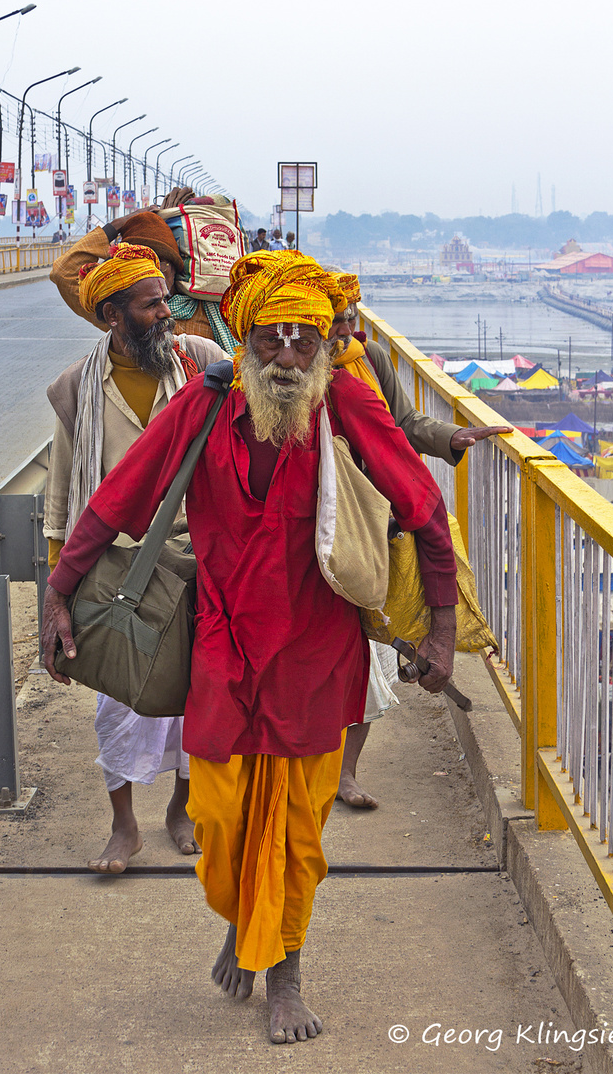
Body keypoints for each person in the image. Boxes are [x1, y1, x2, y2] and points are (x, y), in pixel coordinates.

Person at [41, 250, 458, 1044]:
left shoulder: (348, 405)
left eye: (307, 340)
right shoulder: (202, 407)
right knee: (221, 820)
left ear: (326, 346)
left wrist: (440, 628)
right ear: (245, 339)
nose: (291, 357)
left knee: (298, 830)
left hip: (314, 655)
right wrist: (58, 592)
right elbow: (118, 497)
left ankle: (286, 977)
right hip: (223, 651)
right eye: (274, 339)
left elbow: (425, 510)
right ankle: (244, 922)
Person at [44, 243, 225, 873]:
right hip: (113, 559)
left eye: (166, 300)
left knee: (194, 692)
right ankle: (125, 828)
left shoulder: (200, 362)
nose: (168, 313)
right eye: (151, 306)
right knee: (116, 696)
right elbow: (63, 492)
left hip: (194, 554)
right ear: (112, 317)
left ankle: (181, 809)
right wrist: (57, 592)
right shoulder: (76, 389)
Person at [330, 272, 512, 809]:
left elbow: (403, 422)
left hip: (375, 522)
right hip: (321, 525)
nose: (345, 330)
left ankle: (345, 773)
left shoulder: (368, 359)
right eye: (335, 320)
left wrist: (450, 437)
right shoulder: (299, 374)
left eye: (350, 318)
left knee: (372, 656)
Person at [50, 191, 237, 353]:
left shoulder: (209, 310)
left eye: (159, 263)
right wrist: (117, 224)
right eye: (138, 266)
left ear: (174, 268)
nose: (151, 273)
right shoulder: (122, 311)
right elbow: (63, 272)